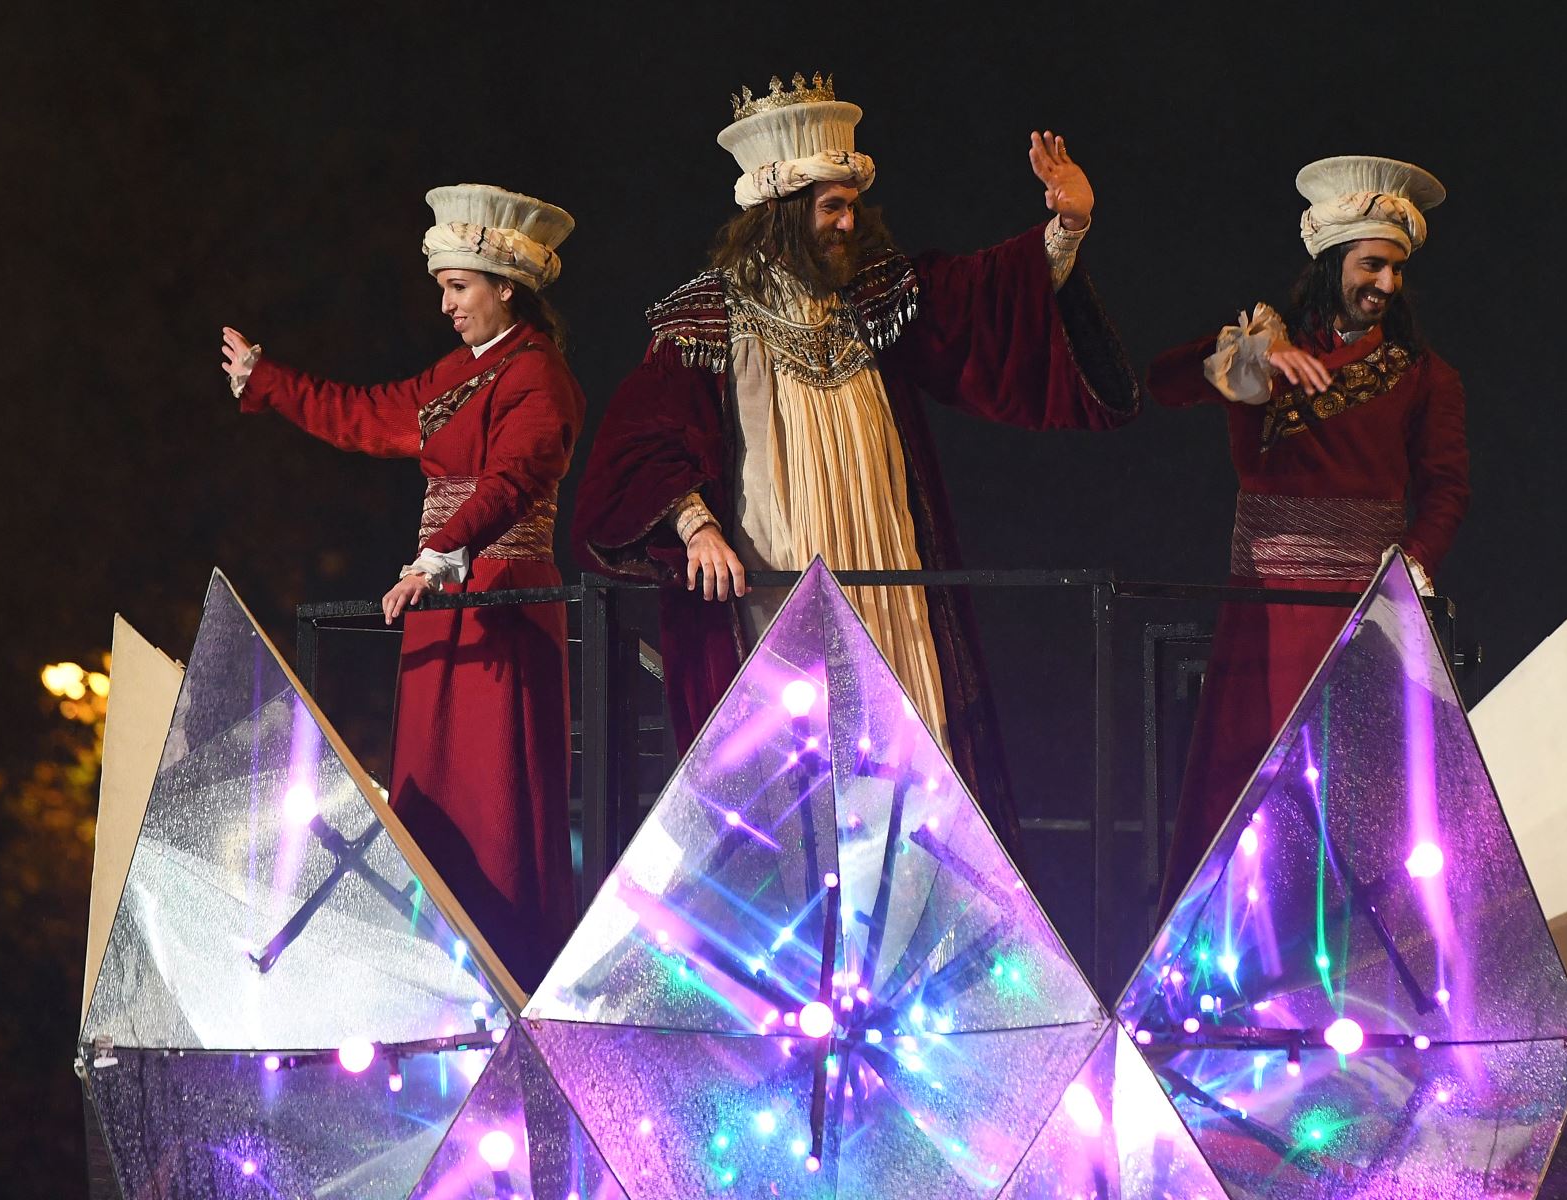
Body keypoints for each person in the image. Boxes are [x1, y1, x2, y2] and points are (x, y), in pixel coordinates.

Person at [572, 72, 1138, 850]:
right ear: (779, 215)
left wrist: (1064, 230)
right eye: (830, 208)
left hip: (885, 573)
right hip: (775, 580)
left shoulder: (874, 296)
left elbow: (980, 299)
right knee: (790, 776)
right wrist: (695, 524)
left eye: (850, 206)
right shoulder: (707, 313)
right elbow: (641, 441)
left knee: (904, 755)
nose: (847, 223)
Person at [222, 183, 583, 988]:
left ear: (506, 288)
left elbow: (514, 482)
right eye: (444, 291)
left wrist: (438, 554)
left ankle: (510, 968)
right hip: (440, 596)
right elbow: (366, 413)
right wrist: (269, 381)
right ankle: (435, 970)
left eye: (459, 289)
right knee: (428, 785)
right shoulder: (458, 374)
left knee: (494, 794)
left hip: (500, 597)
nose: (448, 306)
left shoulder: (540, 376)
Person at [1149, 156, 1469, 908]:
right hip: (1265, 611)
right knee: (1250, 788)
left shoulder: (1426, 377)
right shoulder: (1260, 354)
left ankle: (1354, 984)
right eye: (1371, 265)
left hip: (1362, 616)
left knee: (1361, 804)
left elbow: (1447, 489)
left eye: (1395, 270)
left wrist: (1414, 567)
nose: (1386, 284)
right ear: (1332, 262)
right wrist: (1254, 354)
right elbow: (1161, 384)